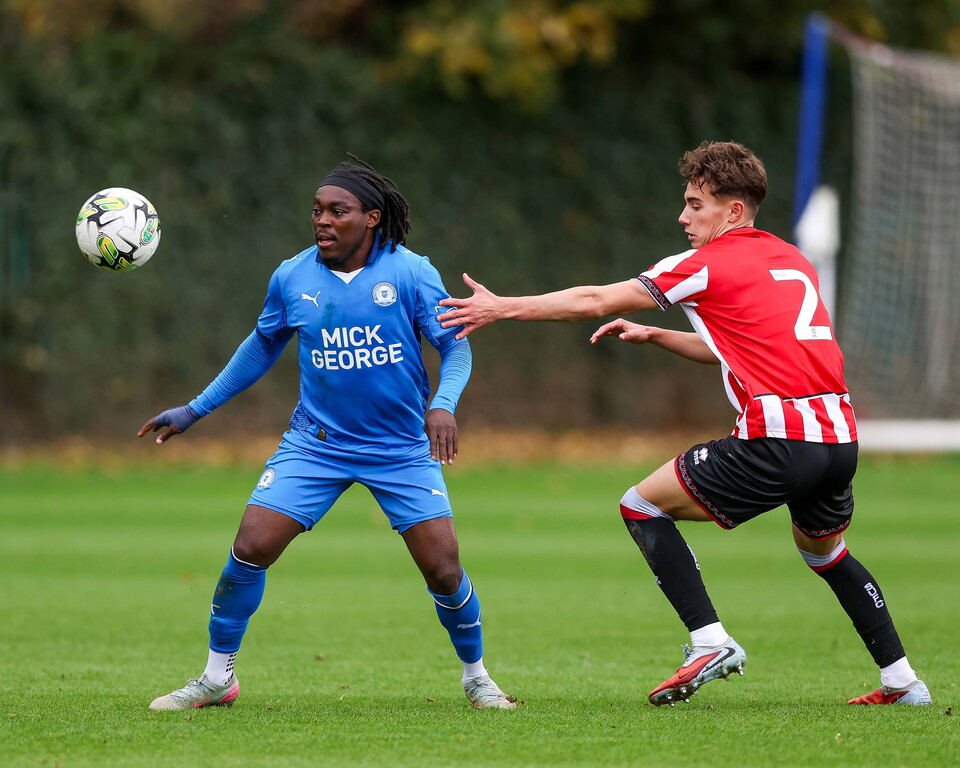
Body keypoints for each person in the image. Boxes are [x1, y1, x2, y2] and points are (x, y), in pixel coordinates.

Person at [436, 141, 930, 707]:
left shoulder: (701, 265)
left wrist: (501, 308)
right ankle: (904, 682)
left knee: (640, 504)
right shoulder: (790, 259)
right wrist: (658, 335)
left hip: (778, 439)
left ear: (734, 211)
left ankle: (709, 641)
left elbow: (596, 297)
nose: (683, 216)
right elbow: (746, 347)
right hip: (838, 439)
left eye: (696, 204)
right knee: (824, 552)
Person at [139, 157, 516, 711]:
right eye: (316, 210)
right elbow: (260, 347)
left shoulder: (411, 273)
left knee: (443, 568)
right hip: (316, 444)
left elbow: (456, 347)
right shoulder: (292, 276)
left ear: (371, 218)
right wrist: (194, 410)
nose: (322, 221)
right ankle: (218, 678)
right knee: (249, 548)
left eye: (337, 211)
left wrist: (443, 404)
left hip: (400, 449)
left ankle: (477, 677)